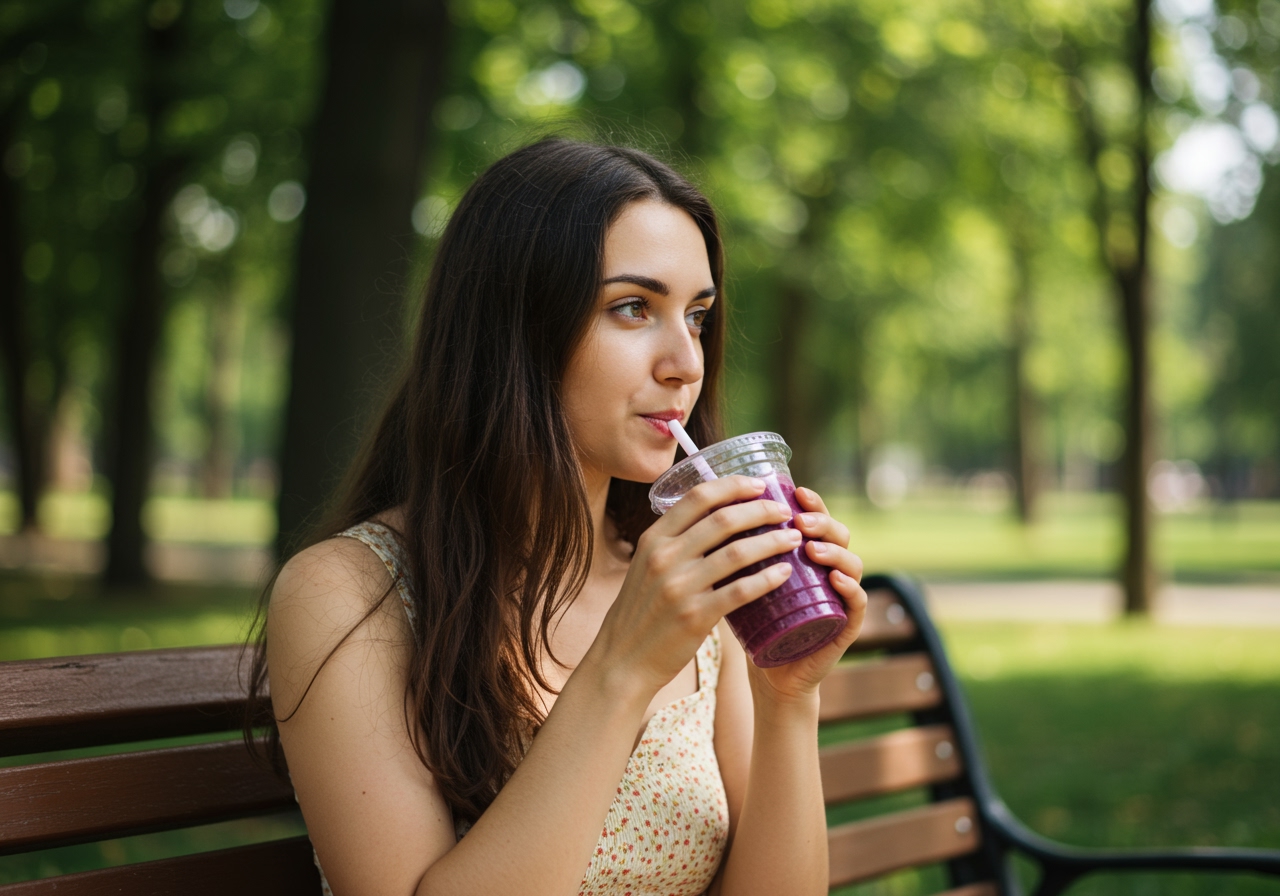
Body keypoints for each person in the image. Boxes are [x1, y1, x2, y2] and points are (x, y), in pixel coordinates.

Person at [247, 137, 868, 896]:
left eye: (698, 316)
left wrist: (787, 700)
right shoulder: (347, 595)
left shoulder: (689, 586)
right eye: (633, 308)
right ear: (515, 329)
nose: (686, 361)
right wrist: (621, 670)